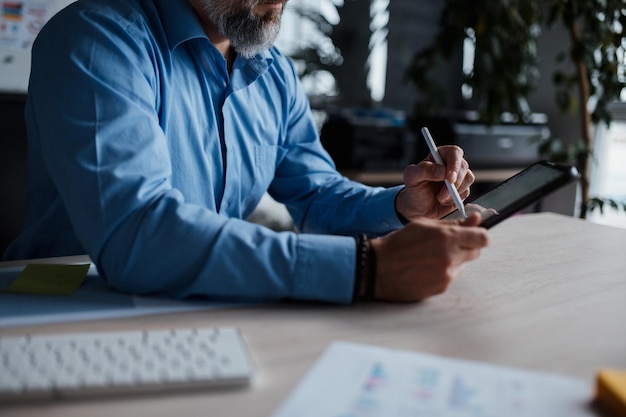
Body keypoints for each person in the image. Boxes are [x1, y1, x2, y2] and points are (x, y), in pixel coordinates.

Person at [3, 0, 489, 304]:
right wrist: (365, 269)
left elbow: (317, 194)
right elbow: (139, 235)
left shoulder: (272, 71)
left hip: (202, 295)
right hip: (66, 300)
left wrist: (402, 207)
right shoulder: (97, 38)